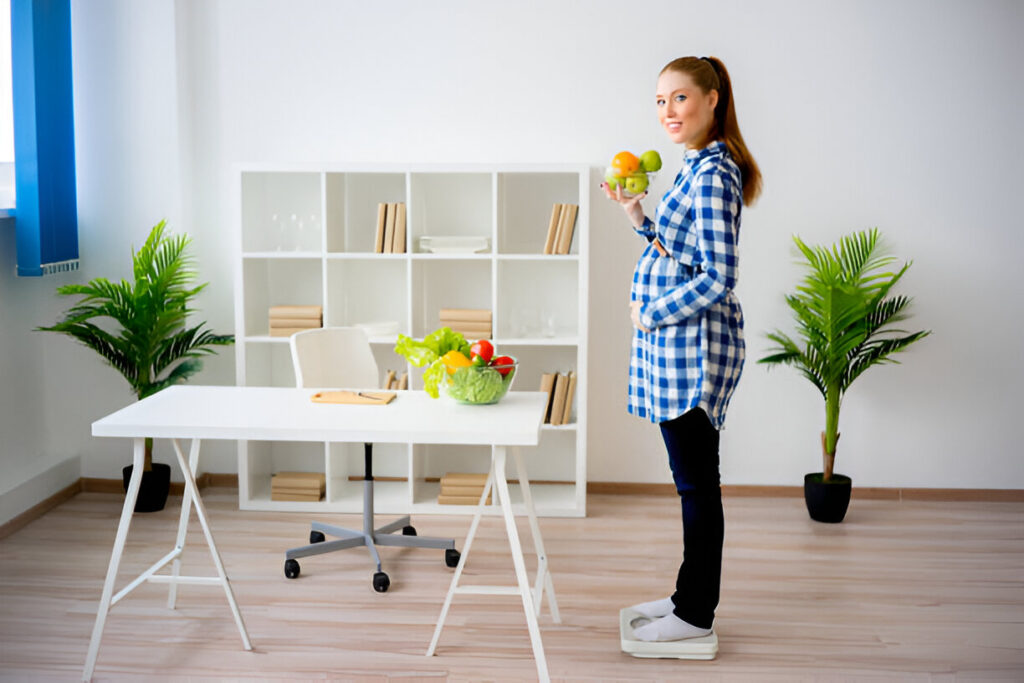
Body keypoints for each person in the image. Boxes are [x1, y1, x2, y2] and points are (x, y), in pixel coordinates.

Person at [602, 55, 762, 643]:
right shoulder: (696, 165)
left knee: (697, 486)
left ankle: (695, 615)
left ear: (713, 99)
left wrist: (651, 312)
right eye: (661, 101)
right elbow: (682, 249)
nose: (669, 111)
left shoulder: (715, 172)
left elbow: (719, 275)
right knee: (691, 482)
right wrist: (637, 214)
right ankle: (684, 597)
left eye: (681, 98)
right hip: (676, 353)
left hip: (693, 354)